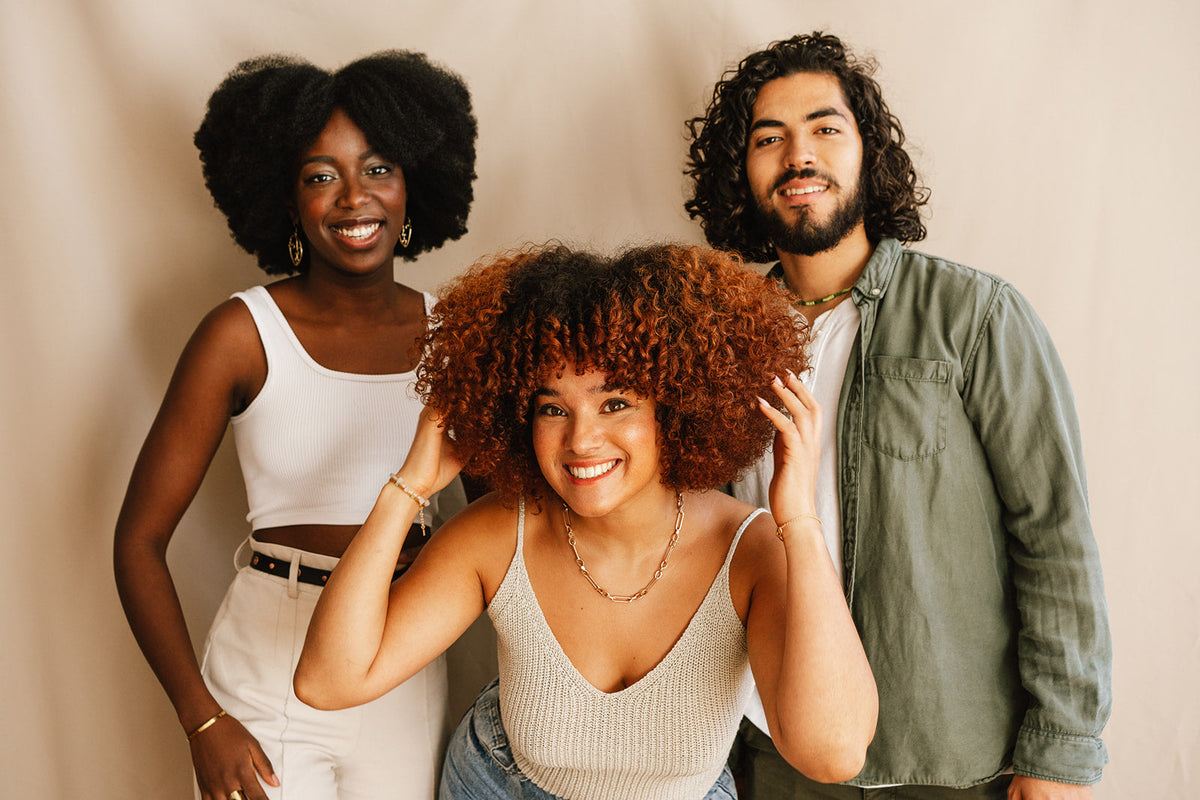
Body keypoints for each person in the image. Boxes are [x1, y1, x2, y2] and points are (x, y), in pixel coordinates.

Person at [684, 32, 1112, 800]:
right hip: (773, 747)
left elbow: (1053, 535)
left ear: (867, 152)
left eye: (825, 128)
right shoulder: (716, 335)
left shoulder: (974, 317)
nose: (798, 156)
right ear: (740, 173)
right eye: (768, 138)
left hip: (945, 758)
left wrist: (1060, 754)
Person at [293, 244, 878, 800]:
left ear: (672, 408)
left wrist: (797, 517)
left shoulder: (746, 550)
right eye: (553, 408)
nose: (581, 440)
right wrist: (408, 489)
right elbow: (330, 682)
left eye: (615, 403)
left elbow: (834, 753)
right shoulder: (499, 534)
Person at [113, 50, 477, 800]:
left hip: (398, 653)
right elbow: (138, 542)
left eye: (378, 169)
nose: (354, 198)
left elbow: (506, 523)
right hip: (265, 663)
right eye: (321, 176)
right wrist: (203, 721)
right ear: (286, 197)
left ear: (415, 185)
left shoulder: (456, 338)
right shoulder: (241, 334)